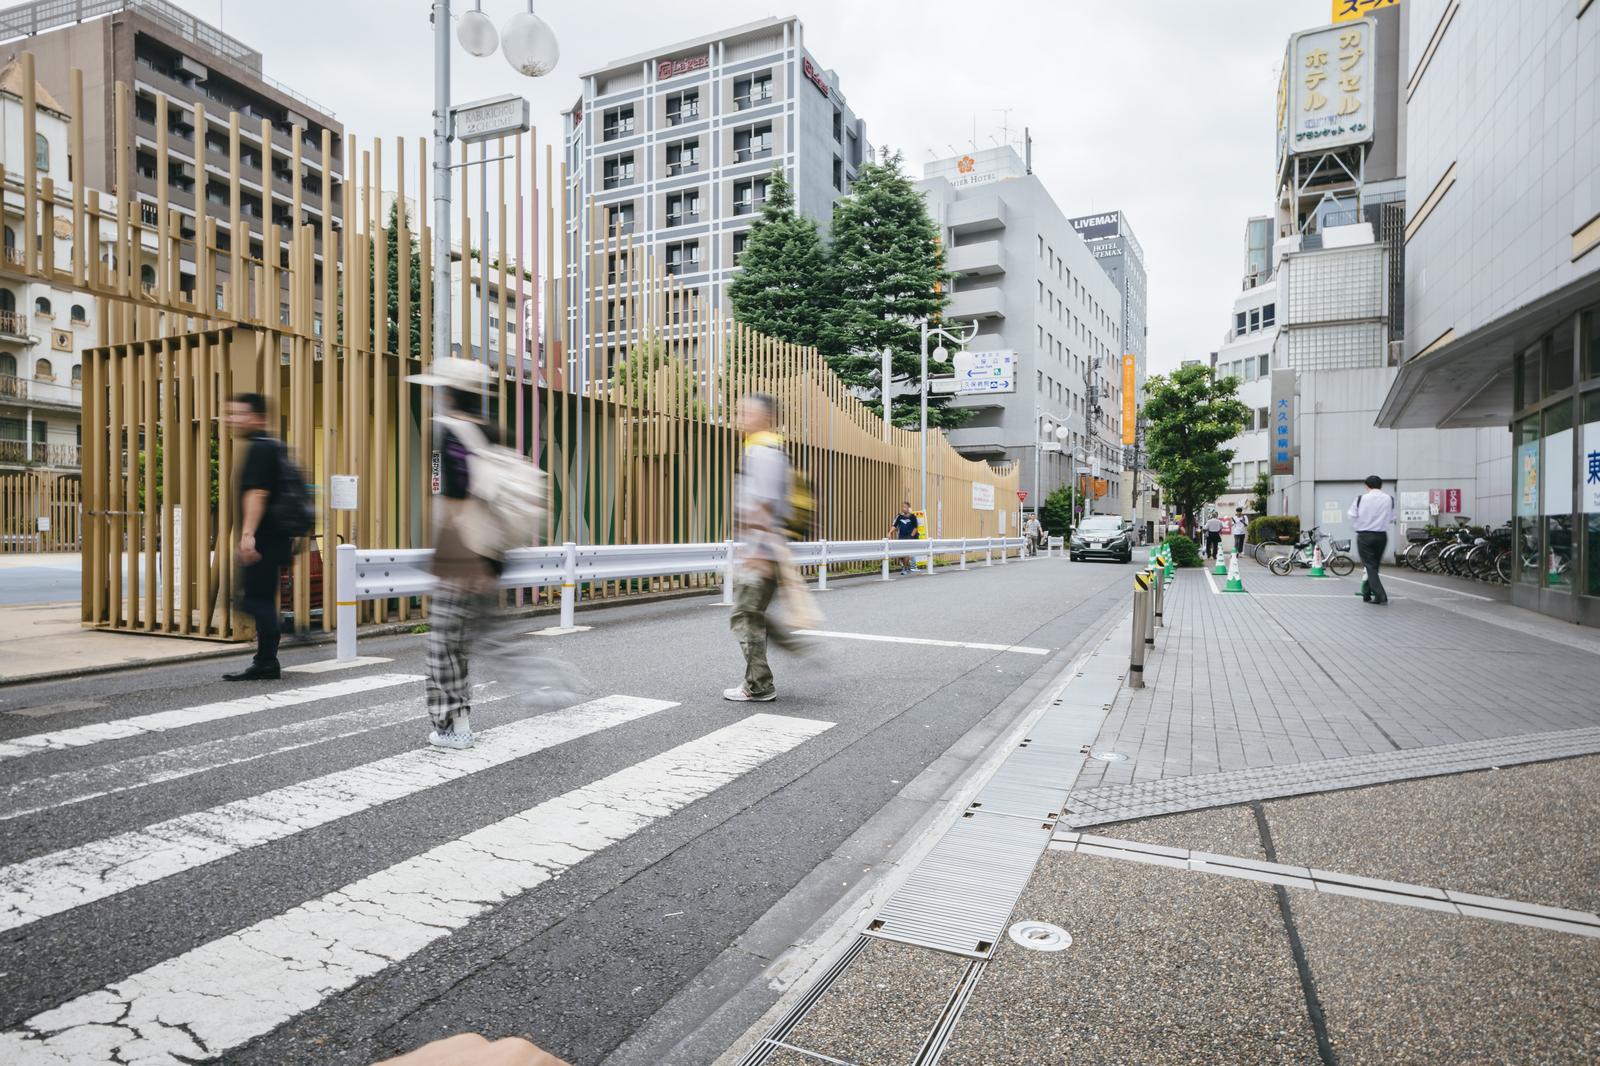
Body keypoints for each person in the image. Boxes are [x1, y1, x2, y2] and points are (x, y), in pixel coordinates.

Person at [408, 357, 501, 748]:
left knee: (442, 646)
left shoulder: (445, 434)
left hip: (461, 554)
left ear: (447, 393)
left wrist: (451, 554)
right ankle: (459, 720)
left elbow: (450, 496)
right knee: (464, 644)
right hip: (492, 552)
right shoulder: (492, 431)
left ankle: (451, 727)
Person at [726, 393, 800, 702]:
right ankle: (796, 649)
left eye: (746, 412)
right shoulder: (767, 449)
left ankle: (759, 685)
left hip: (763, 549)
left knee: (745, 615)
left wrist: (757, 551)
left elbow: (765, 504)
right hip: (766, 547)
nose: (740, 417)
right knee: (754, 613)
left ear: (765, 417)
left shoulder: (763, 452)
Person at [225, 393, 294, 681]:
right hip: (276, 538)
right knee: (261, 599)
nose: (232, 419)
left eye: (238, 413)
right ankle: (266, 660)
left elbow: (258, 492)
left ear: (257, 417)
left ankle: (291, 633)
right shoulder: (273, 447)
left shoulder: (259, 449)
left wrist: (248, 535)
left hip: (263, 540)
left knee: (253, 601)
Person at [1348, 474, 1395, 605]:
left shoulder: (1360, 499)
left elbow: (1351, 515)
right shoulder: (1389, 499)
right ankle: (1367, 593)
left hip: (1364, 536)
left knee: (1369, 565)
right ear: (1381, 485)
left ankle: (1380, 595)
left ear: (1367, 486)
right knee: (1374, 566)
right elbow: (1392, 518)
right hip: (1381, 536)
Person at [889, 500, 920, 575]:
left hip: (909, 538)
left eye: (905, 507)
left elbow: (915, 528)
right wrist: (890, 532)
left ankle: (905, 569)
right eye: (902, 507)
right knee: (900, 554)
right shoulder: (899, 516)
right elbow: (895, 525)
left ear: (909, 508)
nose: (903, 508)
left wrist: (911, 536)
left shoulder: (913, 517)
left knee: (906, 553)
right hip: (901, 537)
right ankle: (907, 567)